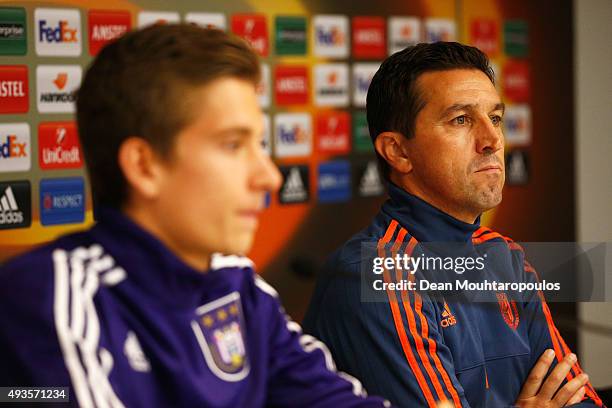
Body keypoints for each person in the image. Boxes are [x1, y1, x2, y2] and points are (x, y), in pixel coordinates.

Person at [0, 24, 388, 408]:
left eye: (261, 144)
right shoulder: (51, 298)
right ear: (144, 166)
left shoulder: (236, 281)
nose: (269, 177)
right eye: (233, 144)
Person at [303, 42, 605, 408]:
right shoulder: (376, 274)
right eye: (461, 119)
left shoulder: (505, 256)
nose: (492, 140)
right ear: (398, 151)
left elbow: (579, 398)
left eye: (495, 118)